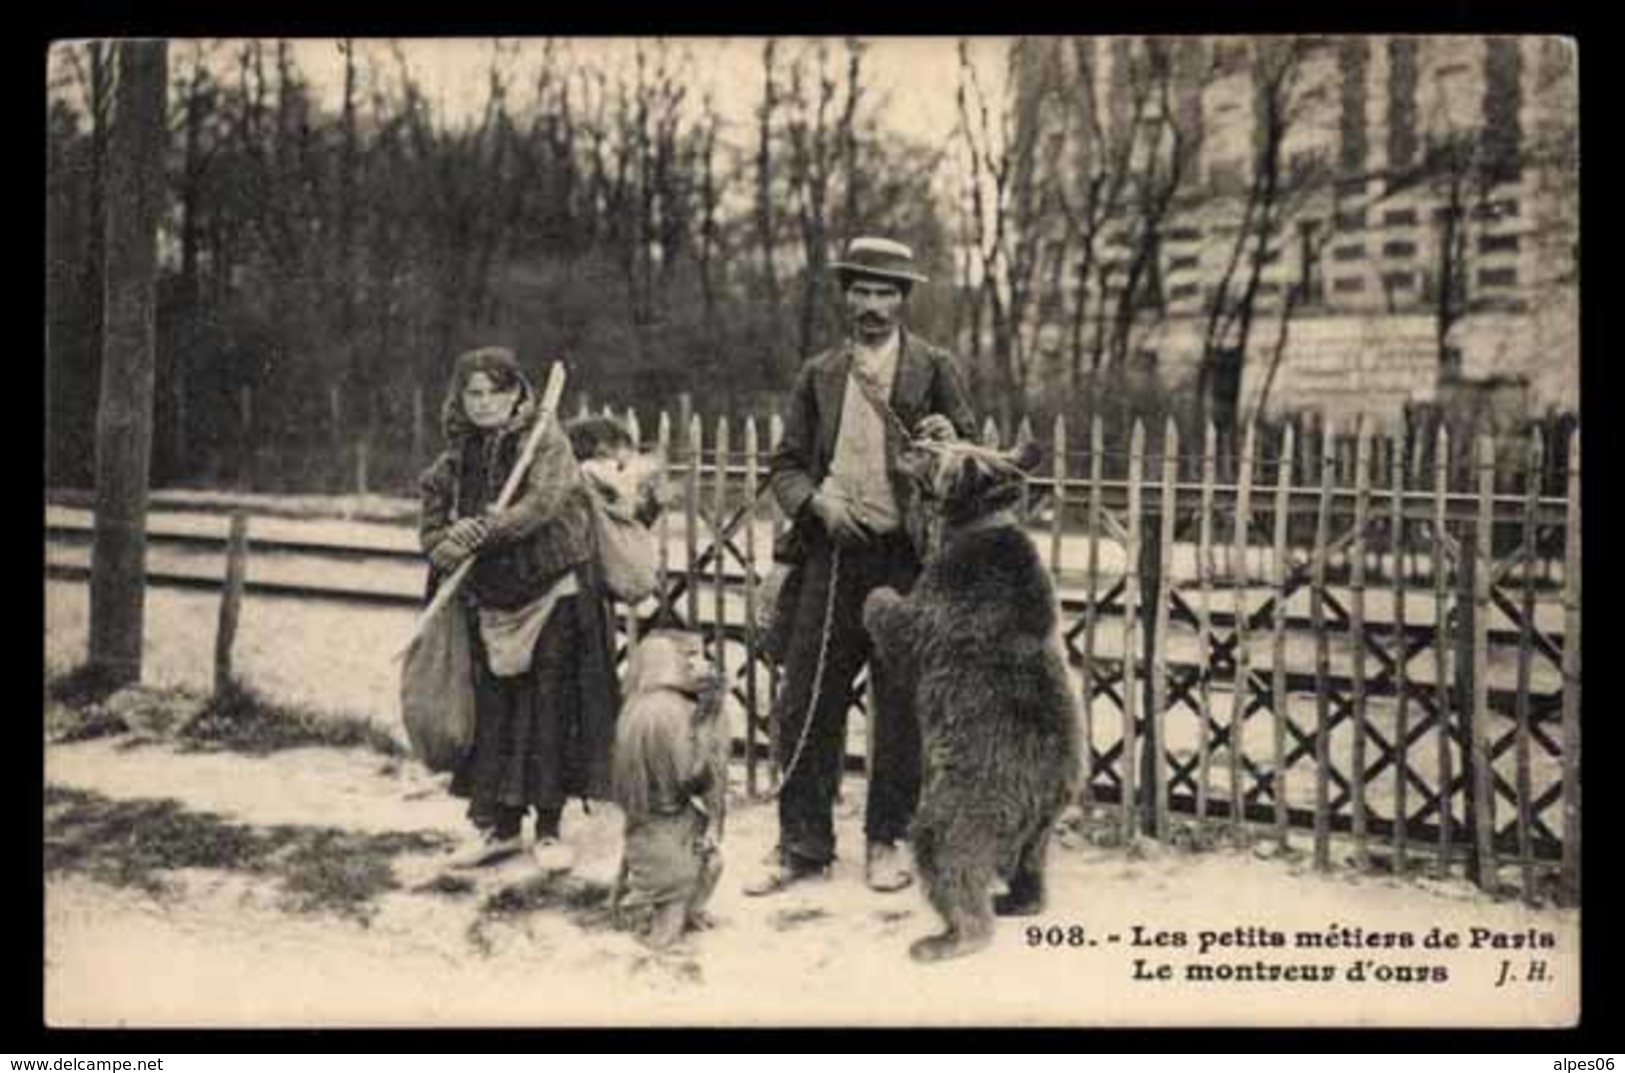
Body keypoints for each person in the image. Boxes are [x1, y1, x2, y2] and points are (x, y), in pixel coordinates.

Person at [745, 236, 978, 896]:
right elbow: (785, 465)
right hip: (830, 558)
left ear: (903, 300)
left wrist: (944, 447)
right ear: (845, 296)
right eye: (861, 290)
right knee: (804, 701)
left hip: (906, 562)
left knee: (899, 704)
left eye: (885, 292)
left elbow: (968, 459)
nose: (871, 305)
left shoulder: (934, 368)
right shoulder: (818, 374)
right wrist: (814, 500)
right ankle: (801, 844)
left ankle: (888, 839)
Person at [418, 346, 619, 872]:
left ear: (515, 394)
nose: (483, 404)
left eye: (494, 392)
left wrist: (487, 528)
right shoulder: (452, 462)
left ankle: (550, 831)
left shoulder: (544, 443)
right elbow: (432, 538)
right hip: (491, 602)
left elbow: (543, 505)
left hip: (553, 592)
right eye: (472, 394)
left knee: (549, 711)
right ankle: (501, 829)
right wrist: (453, 540)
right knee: (497, 716)